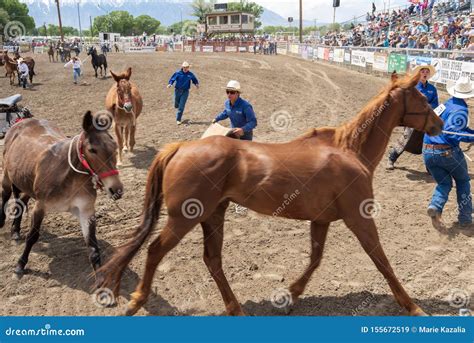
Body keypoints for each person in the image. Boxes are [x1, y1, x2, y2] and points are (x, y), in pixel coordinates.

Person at [423, 77, 474, 230]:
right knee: (463, 181)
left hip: (427, 150)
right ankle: (465, 218)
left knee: (444, 183)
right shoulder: (462, 110)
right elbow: (454, 133)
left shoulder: (445, 105)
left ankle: (435, 206)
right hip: (446, 152)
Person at [387, 64, 439, 169]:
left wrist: (427, 109)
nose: (425, 73)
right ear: (418, 74)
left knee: (429, 141)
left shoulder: (432, 89)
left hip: (426, 119)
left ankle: (430, 167)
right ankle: (391, 158)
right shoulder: (413, 87)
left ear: (429, 74)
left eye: (426, 71)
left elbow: (435, 104)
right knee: (406, 138)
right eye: (422, 71)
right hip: (413, 119)